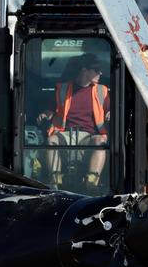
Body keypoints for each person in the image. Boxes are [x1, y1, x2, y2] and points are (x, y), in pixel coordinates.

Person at [43, 53, 110, 191]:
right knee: (51, 141)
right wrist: (46, 113)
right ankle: (55, 183)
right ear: (84, 70)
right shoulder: (62, 88)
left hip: (88, 136)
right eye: (96, 70)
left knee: (100, 142)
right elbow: (50, 108)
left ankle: (92, 183)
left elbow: (109, 109)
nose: (100, 73)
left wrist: (110, 113)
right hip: (65, 134)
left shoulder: (101, 91)